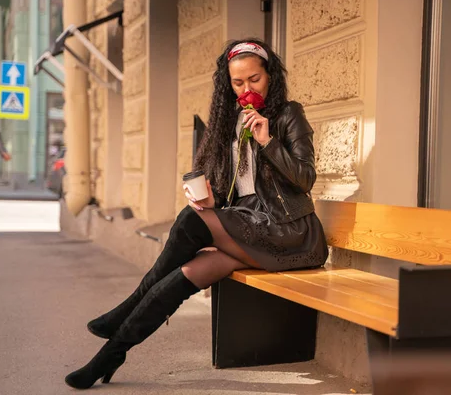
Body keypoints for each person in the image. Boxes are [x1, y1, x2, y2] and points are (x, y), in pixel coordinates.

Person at [65, 39, 329, 389]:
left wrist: (268, 142)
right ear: (227, 84)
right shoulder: (231, 121)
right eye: (238, 83)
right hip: (249, 226)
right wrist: (209, 200)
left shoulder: (288, 114)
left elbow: (305, 178)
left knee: (190, 224)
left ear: (271, 77)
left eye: (254, 79)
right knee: (184, 275)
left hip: (290, 232)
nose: (246, 89)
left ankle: (127, 307)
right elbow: (239, 187)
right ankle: (111, 355)